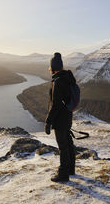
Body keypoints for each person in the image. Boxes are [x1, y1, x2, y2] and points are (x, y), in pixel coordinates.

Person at [45, 52, 76, 182]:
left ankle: (63, 175)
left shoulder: (57, 82)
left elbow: (55, 104)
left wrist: (48, 122)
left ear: (52, 67)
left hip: (60, 119)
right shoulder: (67, 78)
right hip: (68, 116)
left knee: (63, 147)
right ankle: (70, 169)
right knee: (68, 144)